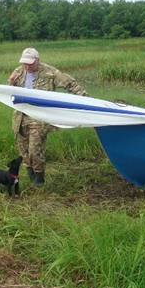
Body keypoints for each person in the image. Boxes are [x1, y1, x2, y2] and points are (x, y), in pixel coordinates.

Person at [8, 47, 87, 186]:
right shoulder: (18, 71)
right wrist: (11, 83)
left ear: (37, 60)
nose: (27, 66)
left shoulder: (50, 72)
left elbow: (70, 84)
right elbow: (9, 91)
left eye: (30, 63)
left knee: (35, 150)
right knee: (23, 150)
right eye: (24, 62)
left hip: (39, 118)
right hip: (20, 117)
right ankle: (30, 173)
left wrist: (86, 100)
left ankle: (39, 179)